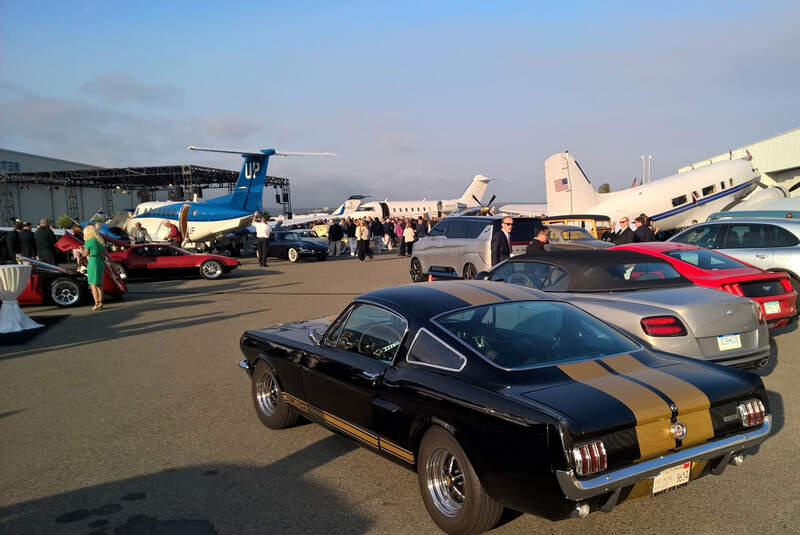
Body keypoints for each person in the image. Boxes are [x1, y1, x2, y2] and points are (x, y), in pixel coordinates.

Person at [82, 225, 105, 311]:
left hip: (93, 261)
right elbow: (103, 252)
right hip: (100, 261)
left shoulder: (89, 241)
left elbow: (85, 254)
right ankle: (101, 302)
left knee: (93, 284)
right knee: (99, 283)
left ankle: (96, 303)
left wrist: (82, 250)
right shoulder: (99, 240)